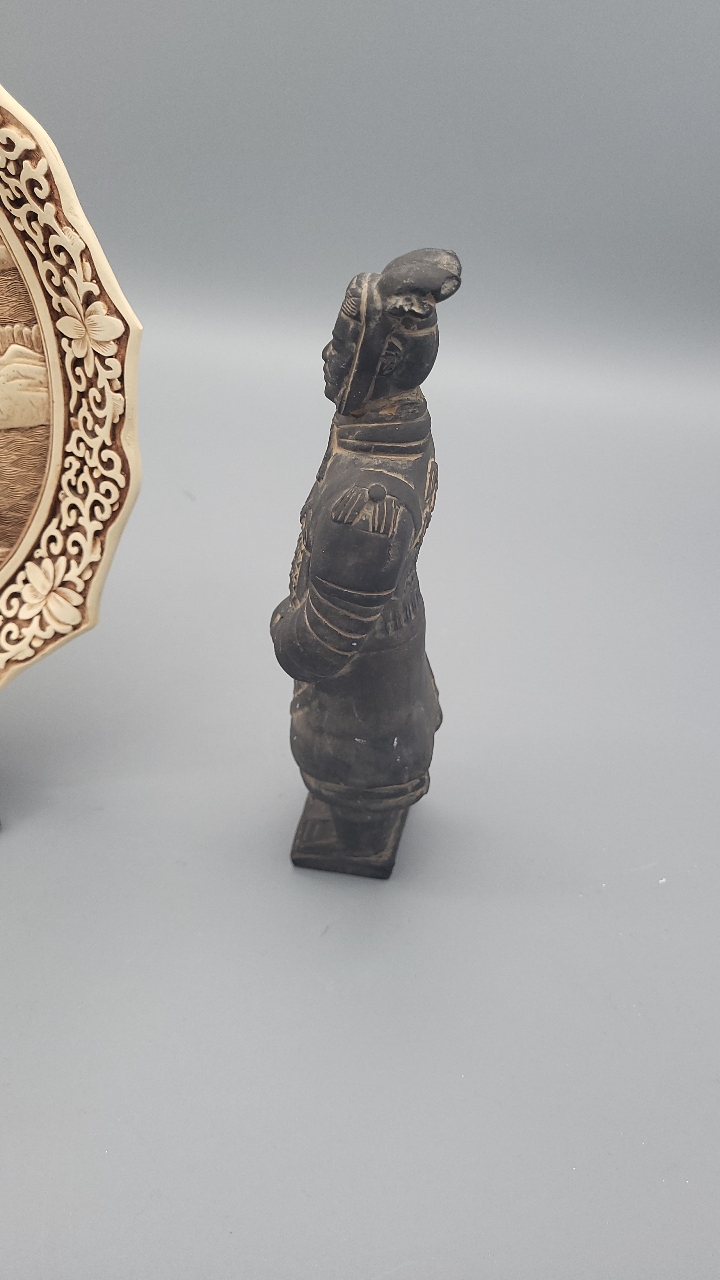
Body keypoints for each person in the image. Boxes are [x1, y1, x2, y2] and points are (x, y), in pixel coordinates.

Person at [271, 247, 461, 876]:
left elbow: (318, 647)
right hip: (391, 652)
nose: (327, 357)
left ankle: (359, 826)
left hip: (363, 692)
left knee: (357, 759)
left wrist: (283, 623)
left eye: (341, 345)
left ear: (380, 362)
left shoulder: (366, 498)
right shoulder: (395, 434)